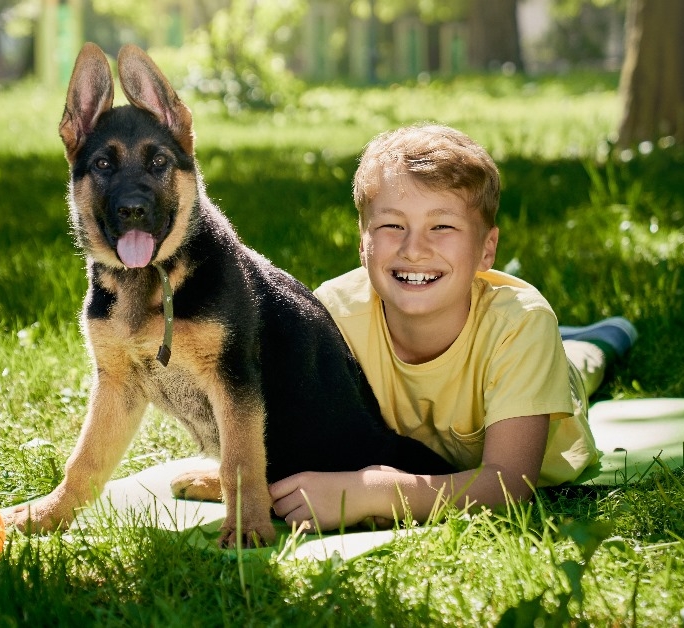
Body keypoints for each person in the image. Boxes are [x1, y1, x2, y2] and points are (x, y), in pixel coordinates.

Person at [268, 124, 637, 530]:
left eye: (441, 227)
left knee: (580, 365)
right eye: (392, 225)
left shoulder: (521, 326)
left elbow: (510, 485)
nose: (414, 249)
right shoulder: (330, 315)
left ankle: (603, 336)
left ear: (487, 249)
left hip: (536, 372)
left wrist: (372, 492)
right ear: (362, 243)